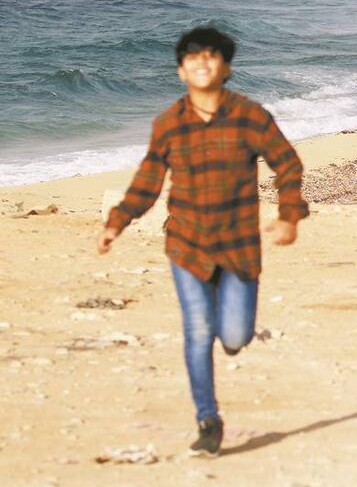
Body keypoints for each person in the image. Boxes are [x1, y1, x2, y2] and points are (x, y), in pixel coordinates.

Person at [97, 27, 309, 457]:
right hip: (187, 245)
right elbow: (147, 181)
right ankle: (207, 419)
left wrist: (289, 217)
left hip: (237, 248)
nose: (201, 63)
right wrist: (116, 222)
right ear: (180, 70)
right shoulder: (169, 124)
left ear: (225, 67)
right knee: (197, 330)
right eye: (192, 58)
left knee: (233, 335)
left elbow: (287, 165)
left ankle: (233, 336)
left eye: (211, 56)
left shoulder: (251, 117)